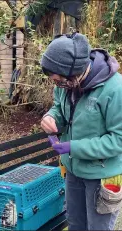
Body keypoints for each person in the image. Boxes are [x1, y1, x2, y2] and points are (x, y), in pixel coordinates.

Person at [40, 33, 122, 230]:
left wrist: (73, 147)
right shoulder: (65, 84)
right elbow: (59, 107)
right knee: (75, 224)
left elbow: (118, 139)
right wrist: (50, 117)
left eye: (58, 79)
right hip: (73, 171)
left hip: (102, 175)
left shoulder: (115, 89)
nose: (56, 83)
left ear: (74, 71)